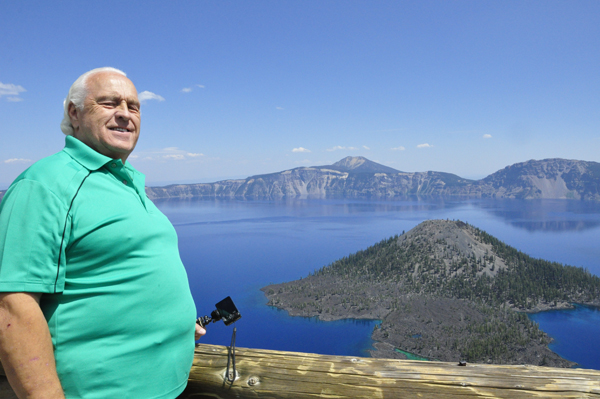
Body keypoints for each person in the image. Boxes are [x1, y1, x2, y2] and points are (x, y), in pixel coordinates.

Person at [0, 67, 205, 398]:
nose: (125, 114)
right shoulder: (45, 184)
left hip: (167, 386)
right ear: (74, 113)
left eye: (133, 106)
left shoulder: (124, 180)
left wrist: (177, 325)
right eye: (110, 103)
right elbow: (12, 304)